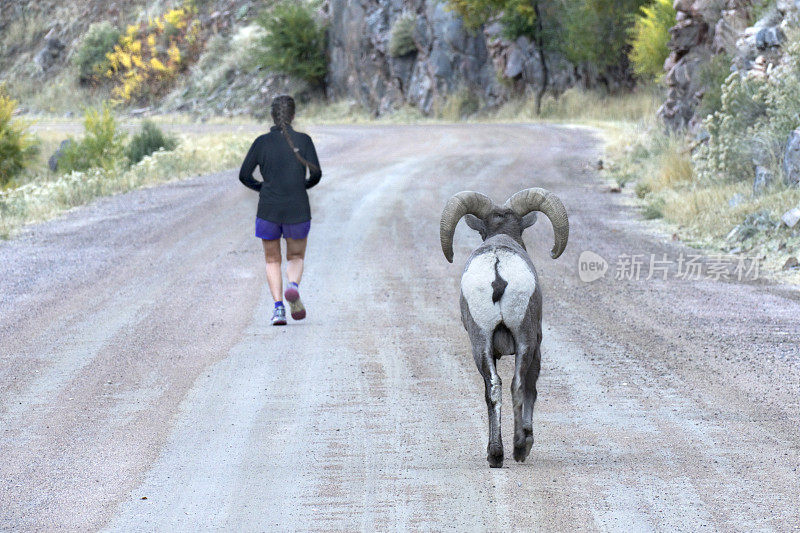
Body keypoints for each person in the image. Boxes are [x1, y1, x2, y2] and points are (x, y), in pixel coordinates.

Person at [239, 95, 322, 326]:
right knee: (295, 256)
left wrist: (263, 188)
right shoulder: (304, 140)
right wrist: (300, 186)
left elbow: (244, 175)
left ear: (272, 116)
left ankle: (278, 310)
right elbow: (316, 174)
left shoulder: (261, 142)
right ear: (293, 115)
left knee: (272, 260)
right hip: (298, 207)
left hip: (269, 209)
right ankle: (292, 287)